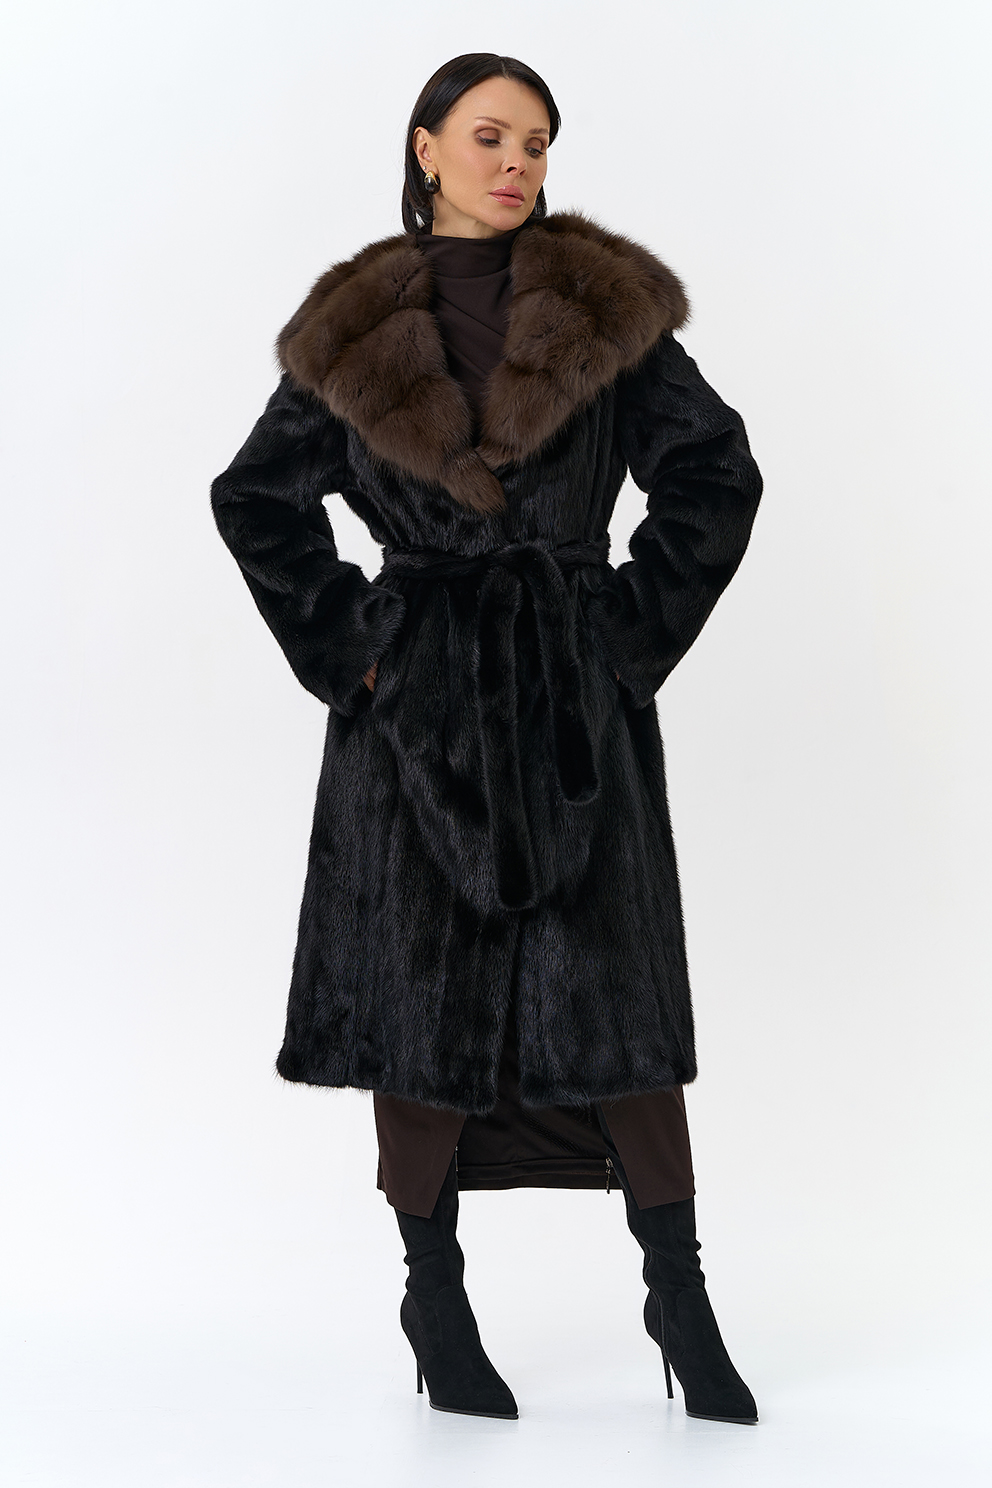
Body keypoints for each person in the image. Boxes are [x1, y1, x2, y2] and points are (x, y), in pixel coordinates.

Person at [210, 53, 764, 1425]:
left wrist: (622, 638)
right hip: (416, 724)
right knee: (421, 1013)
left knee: (622, 1010)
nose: (518, 163)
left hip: (575, 712)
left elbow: (715, 469)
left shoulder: (605, 311)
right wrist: (360, 650)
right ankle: (434, 1297)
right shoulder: (352, 332)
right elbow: (256, 497)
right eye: (492, 136)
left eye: (538, 143)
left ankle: (680, 1295)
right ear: (428, 149)